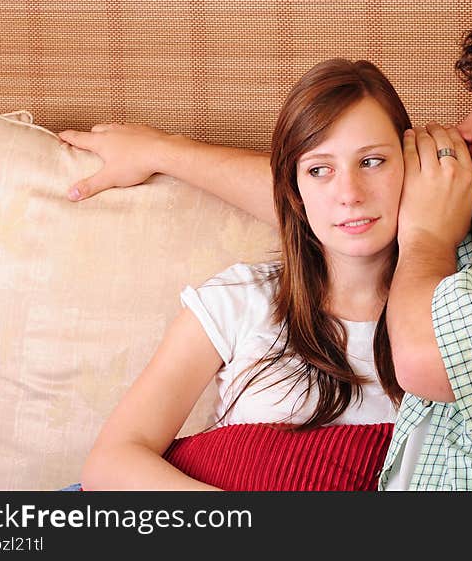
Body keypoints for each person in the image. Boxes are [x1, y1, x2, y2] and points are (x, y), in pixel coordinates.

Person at [63, 3, 472, 491]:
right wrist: (163, 151)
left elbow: (424, 355)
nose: (463, 129)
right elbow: (334, 211)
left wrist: (428, 234)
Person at [79, 58, 409, 490]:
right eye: (319, 170)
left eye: (372, 162)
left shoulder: (462, 308)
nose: (349, 194)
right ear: (295, 190)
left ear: (411, 166)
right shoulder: (240, 299)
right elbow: (111, 462)